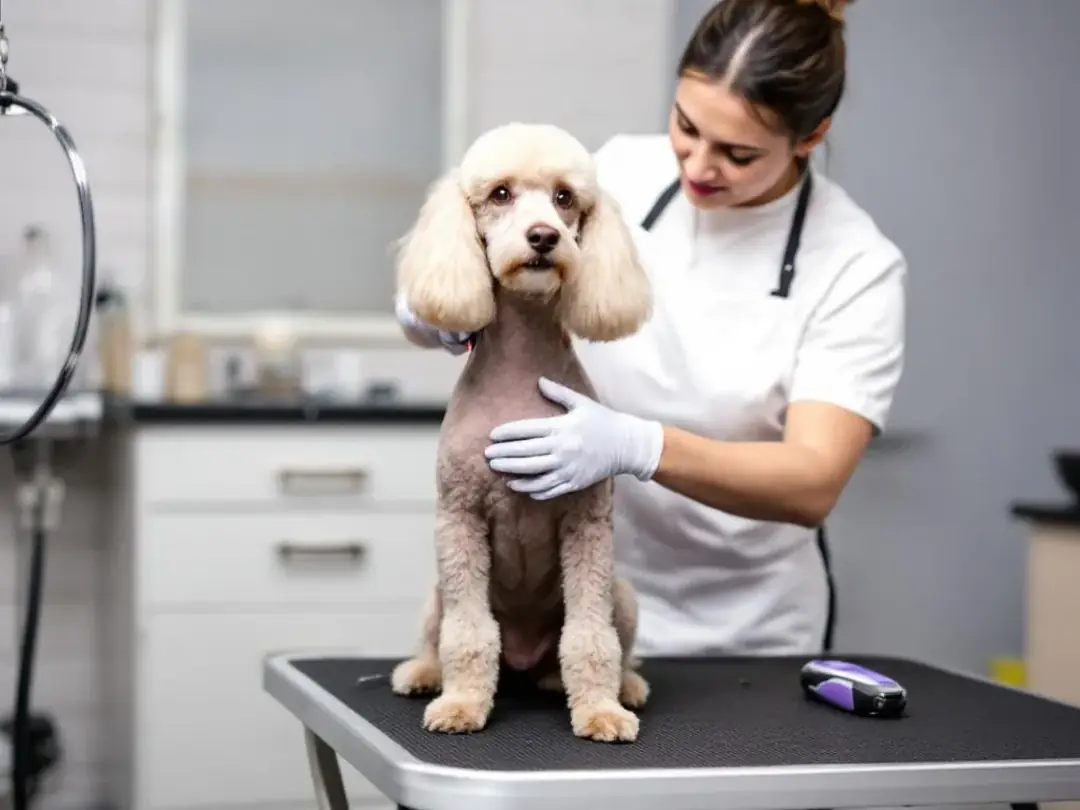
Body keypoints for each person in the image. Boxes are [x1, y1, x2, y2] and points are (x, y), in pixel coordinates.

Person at [395, 0, 905, 658]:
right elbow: (495, 251)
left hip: (750, 631)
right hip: (582, 606)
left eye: (738, 153)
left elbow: (812, 481)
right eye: (685, 126)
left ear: (810, 137)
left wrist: (642, 447)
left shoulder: (855, 264)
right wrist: (427, 313)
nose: (696, 165)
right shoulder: (619, 176)